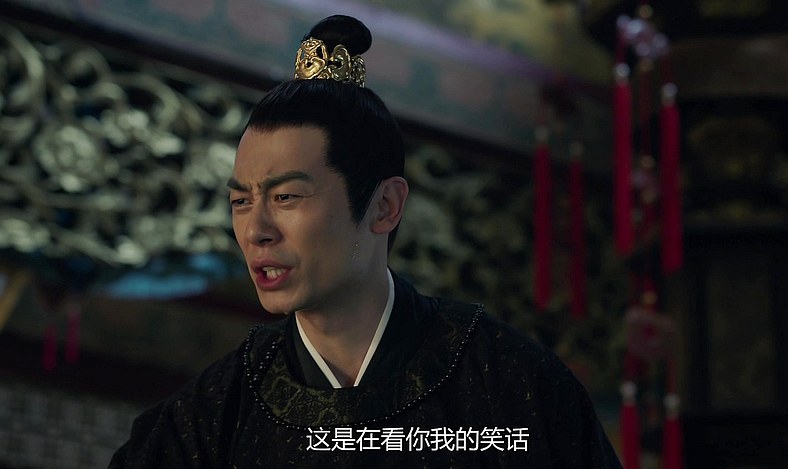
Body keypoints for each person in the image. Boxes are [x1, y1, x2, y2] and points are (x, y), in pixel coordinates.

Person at [110, 15, 621, 468]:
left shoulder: (510, 384)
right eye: (241, 200)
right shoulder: (209, 417)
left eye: (286, 196)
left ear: (384, 207)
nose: (255, 229)